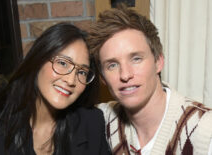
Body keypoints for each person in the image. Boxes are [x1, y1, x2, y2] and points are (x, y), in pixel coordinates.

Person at [88, 4, 212, 155]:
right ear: (103, 78)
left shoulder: (204, 129)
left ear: (158, 61)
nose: (125, 75)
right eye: (112, 65)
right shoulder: (101, 120)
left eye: (136, 59)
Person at [0, 23, 111, 155]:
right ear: (38, 60)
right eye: (62, 63)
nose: (70, 80)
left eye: (82, 72)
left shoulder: (92, 123)